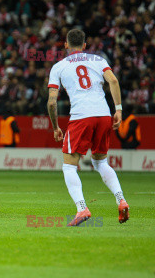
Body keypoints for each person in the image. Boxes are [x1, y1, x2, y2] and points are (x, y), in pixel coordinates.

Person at [47, 29, 129, 226]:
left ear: (65, 45)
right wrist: (118, 110)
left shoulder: (58, 67)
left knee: (68, 166)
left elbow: (51, 102)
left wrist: (56, 126)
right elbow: (114, 81)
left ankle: (82, 208)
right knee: (101, 163)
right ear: (85, 45)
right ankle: (121, 200)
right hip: (103, 116)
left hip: (81, 117)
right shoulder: (98, 60)